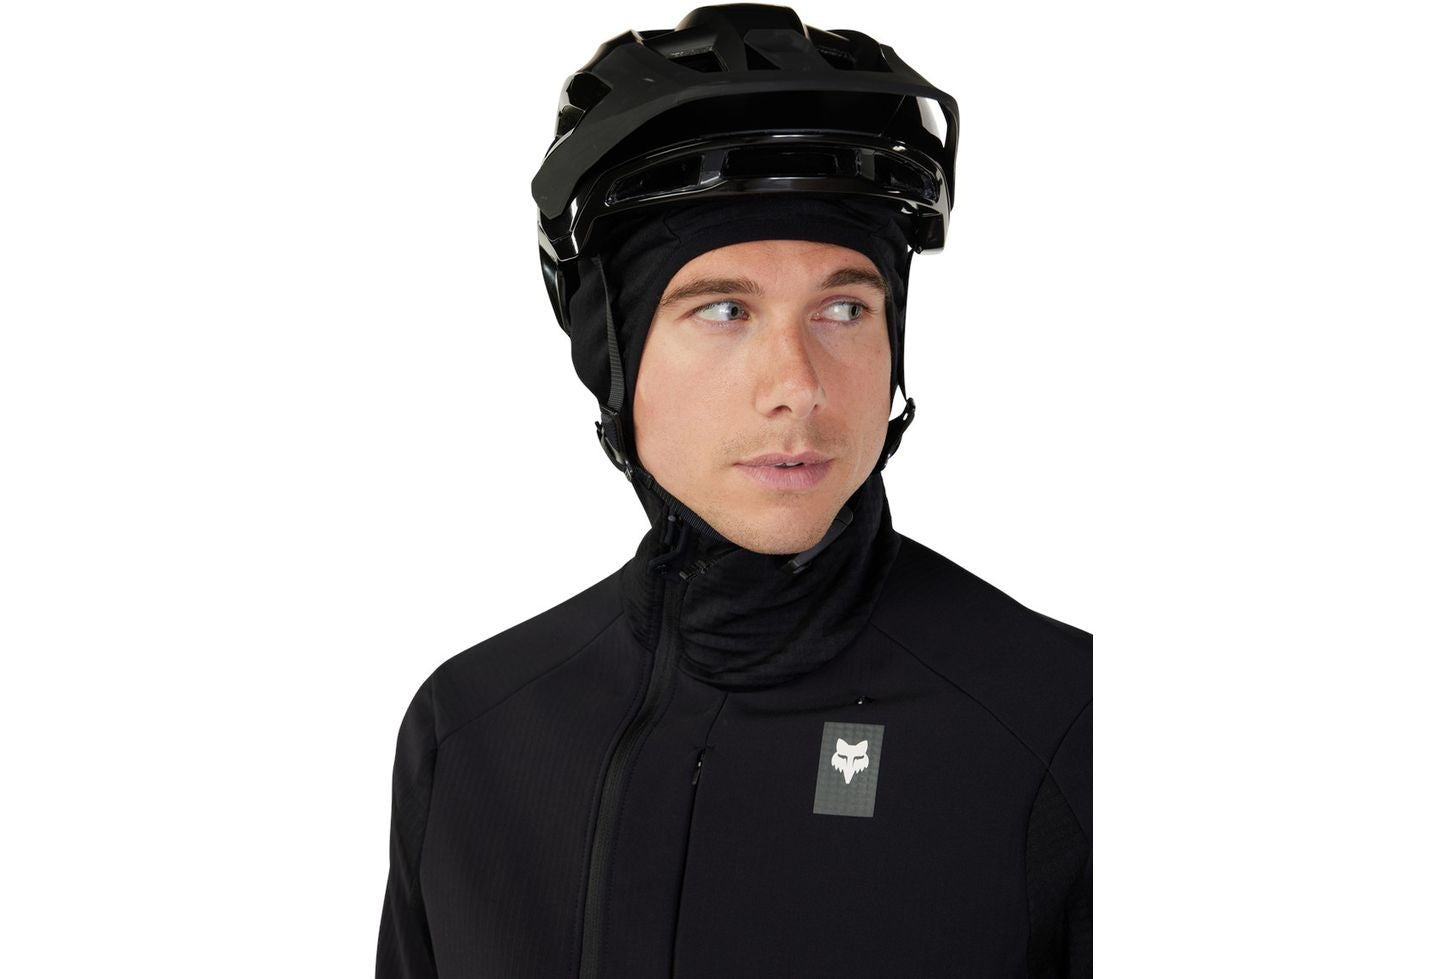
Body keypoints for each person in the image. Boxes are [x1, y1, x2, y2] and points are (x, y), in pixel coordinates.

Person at [375, 4, 1091, 977]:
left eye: (845, 307)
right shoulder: (473, 733)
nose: (796, 385)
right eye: (723, 309)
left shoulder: (1063, 724)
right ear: (611, 352)